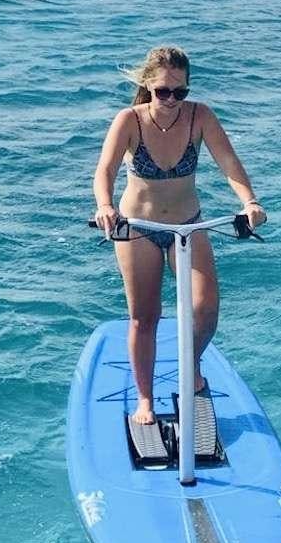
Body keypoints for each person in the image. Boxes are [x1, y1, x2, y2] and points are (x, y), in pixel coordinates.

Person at [92, 45, 266, 426]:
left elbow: (229, 163)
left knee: (205, 308)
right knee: (145, 317)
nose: (171, 99)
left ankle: (191, 366)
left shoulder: (199, 117)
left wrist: (250, 201)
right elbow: (104, 171)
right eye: (163, 91)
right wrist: (105, 206)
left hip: (188, 225)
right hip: (140, 228)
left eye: (179, 91)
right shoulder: (129, 120)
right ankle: (145, 400)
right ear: (148, 86)